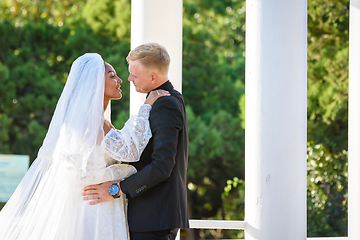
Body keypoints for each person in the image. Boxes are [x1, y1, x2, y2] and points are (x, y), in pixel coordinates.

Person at [0, 53, 169, 240]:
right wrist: (146, 108)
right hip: (96, 210)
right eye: (112, 76)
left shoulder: (98, 122)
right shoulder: (93, 123)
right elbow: (130, 151)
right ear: (95, 84)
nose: (120, 80)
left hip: (99, 205)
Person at [83, 43, 189, 240]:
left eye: (134, 74)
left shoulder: (164, 103)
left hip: (153, 215)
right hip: (146, 214)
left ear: (152, 77)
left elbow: (162, 165)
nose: (128, 78)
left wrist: (117, 189)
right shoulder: (163, 99)